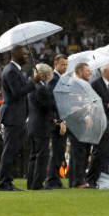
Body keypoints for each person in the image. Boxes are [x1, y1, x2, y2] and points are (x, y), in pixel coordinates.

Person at [0, 46, 39, 192]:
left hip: (16, 116)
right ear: (14, 54)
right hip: (12, 116)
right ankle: (4, 183)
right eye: (25, 54)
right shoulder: (10, 71)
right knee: (9, 150)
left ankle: (7, 181)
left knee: (12, 150)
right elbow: (16, 93)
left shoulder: (16, 70)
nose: (27, 56)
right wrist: (33, 83)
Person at [85, 63, 109, 188]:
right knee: (100, 151)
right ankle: (92, 178)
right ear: (105, 72)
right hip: (99, 122)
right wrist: (108, 105)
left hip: (108, 121)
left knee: (106, 150)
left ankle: (101, 177)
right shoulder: (96, 84)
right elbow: (92, 103)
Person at [26, 64, 55, 190]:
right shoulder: (41, 89)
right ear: (44, 76)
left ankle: (31, 183)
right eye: (49, 75)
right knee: (42, 156)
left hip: (33, 125)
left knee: (34, 156)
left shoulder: (32, 87)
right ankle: (37, 184)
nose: (50, 77)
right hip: (41, 126)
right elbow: (48, 105)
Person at [45, 54, 68, 189]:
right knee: (56, 151)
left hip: (61, 121)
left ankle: (56, 179)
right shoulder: (54, 81)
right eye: (62, 64)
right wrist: (59, 121)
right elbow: (52, 103)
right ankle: (51, 180)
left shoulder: (60, 80)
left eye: (66, 64)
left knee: (60, 152)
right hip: (57, 123)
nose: (64, 67)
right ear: (55, 65)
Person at [67, 63, 91, 188]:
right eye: (87, 71)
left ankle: (74, 181)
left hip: (80, 123)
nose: (90, 73)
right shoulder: (74, 85)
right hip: (76, 123)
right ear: (80, 72)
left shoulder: (82, 85)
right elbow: (73, 105)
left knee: (79, 152)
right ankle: (78, 181)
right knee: (78, 152)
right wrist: (85, 116)